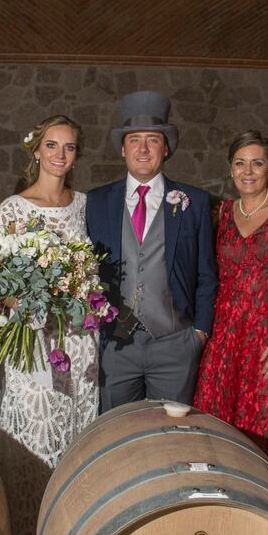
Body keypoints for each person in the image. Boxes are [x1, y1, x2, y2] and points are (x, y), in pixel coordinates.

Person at [0, 115, 98, 535]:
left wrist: (82, 289)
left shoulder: (87, 206)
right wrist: (21, 299)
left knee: (75, 439)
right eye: (52, 146)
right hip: (34, 344)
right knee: (32, 438)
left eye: (69, 147)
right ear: (36, 151)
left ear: (76, 155)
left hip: (78, 344)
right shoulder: (13, 208)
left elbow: (95, 270)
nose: (59, 155)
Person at [193, 131, 268, 474]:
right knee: (220, 426)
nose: (248, 171)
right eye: (240, 163)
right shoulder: (221, 213)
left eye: (257, 163)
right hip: (226, 339)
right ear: (231, 169)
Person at [86, 90, 217, 412]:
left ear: (166, 148)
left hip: (175, 343)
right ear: (122, 149)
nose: (143, 149)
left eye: (153, 140)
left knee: (175, 435)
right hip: (116, 344)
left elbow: (206, 274)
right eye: (134, 140)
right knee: (115, 432)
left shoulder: (194, 202)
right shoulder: (96, 202)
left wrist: (198, 333)